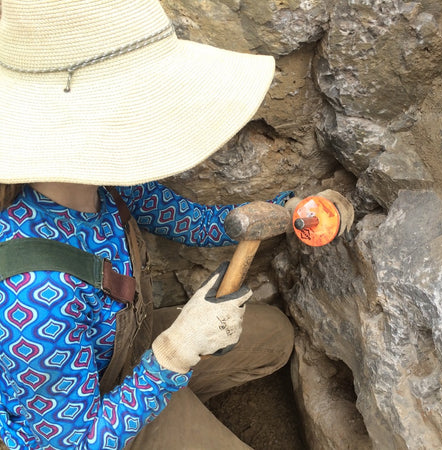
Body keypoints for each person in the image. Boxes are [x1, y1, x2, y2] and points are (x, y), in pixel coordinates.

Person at [0, 1, 295, 449]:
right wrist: (175, 355)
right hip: (85, 423)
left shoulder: (104, 176)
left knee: (275, 337)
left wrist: (286, 211)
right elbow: (76, 443)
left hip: (125, 356)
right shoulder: (34, 296)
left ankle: (170, 404)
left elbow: (186, 220)